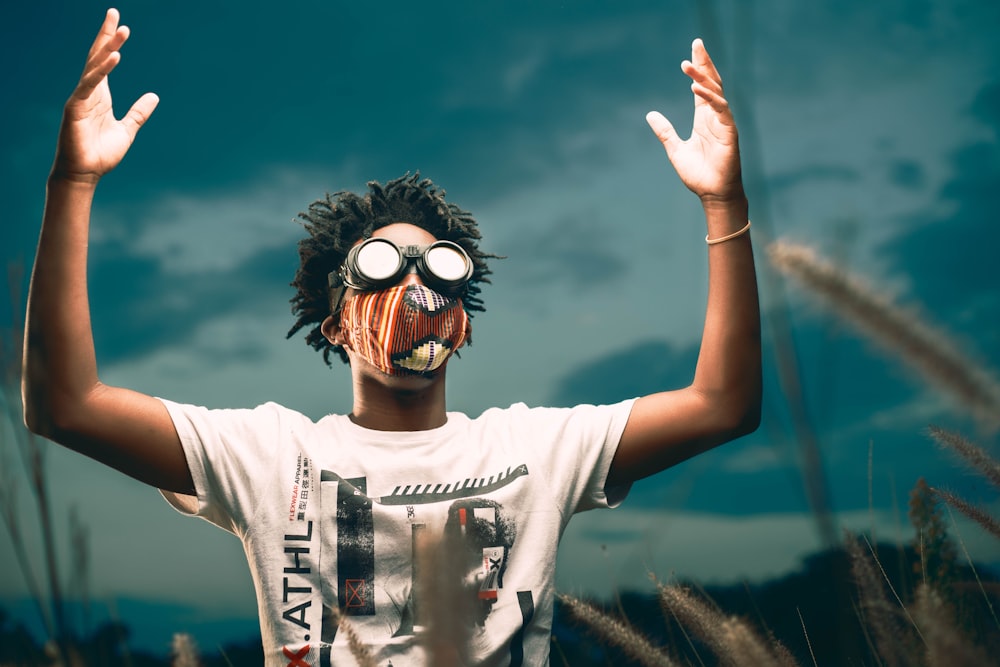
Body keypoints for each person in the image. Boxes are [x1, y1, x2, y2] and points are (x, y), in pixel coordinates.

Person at [23, 7, 761, 667]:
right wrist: (72, 183)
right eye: (380, 269)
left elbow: (724, 404)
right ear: (335, 316)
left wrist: (724, 200)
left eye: (439, 270)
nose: (416, 289)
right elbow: (66, 405)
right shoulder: (270, 456)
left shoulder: (534, 449)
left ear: (463, 310)